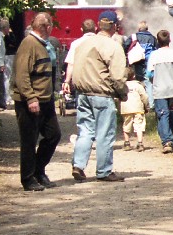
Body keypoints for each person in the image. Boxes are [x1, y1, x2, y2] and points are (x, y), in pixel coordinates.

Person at [69, 10, 128, 182]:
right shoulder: (113, 46)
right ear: (114, 26)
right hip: (101, 95)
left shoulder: (83, 44)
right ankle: (103, 171)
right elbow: (117, 77)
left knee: (85, 131)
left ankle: (78, 165)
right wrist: (123, 93)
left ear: (98, 25)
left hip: (82, 94)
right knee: (104, 133)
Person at [11, 13, 62, 191]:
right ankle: (28, 178)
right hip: (30, 101)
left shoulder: (42, 44)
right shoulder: (29, 44)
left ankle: (39, 171)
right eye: (51, 26)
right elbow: (22, 74)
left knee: (53, 135)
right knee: (29, 140)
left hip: (45, 100)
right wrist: (30, 98)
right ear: (46, 27)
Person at [147, 29, 173, 153]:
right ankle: (171, 138)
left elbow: (149, 74)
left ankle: (167, 141)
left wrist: (157, 79)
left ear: (158, 41)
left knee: (163, 114)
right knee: (172, 114)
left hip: (159, 91)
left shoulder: (154, 55)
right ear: (170, 40)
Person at [120, 67, 151, 151]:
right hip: (138, 108)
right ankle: (140, 143)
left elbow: (118, 97)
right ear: (134, 76)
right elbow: (144, 97)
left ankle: (127, 143)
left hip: (126, 109)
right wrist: (147, 107)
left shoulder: (122, 86)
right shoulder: (138, 86)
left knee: (126, 125)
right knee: (139, 125)